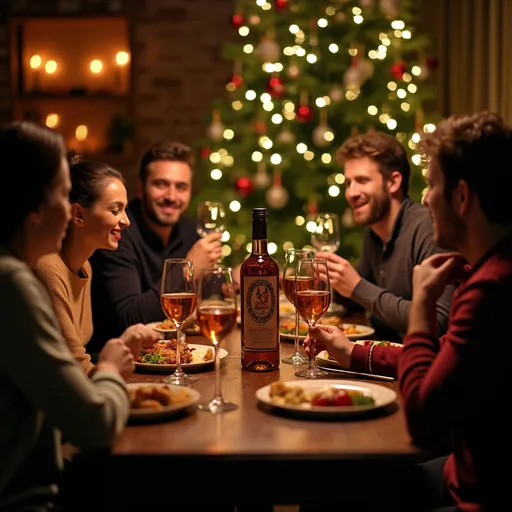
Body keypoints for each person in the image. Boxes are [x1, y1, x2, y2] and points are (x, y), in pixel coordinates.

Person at [0, 121, 135, 510]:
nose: (69, 207)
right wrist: (109, 367)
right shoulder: (13, 284)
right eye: (63, 195)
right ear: (36, 207)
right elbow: (94, 424)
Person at [397, 111, 512, 511]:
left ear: (462, 196)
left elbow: (423, 421)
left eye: (432, 185)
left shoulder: (491, 289)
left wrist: (421, 309)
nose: (425, 198)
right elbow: (448, 359)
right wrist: (356, 352)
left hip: (479, 495)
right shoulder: (489, 268)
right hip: (460, 472)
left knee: (345, 485)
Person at [316, 131, 455, 346]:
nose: (351, 193)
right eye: (348, 183)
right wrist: (328, 280)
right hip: (380, 352)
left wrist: (356, 286)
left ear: (393, 182)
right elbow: (356, 300)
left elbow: (437, 321)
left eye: (362, 180)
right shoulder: (374, 232)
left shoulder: (428, 227)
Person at [88, 140, 223, 354]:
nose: (171, 196)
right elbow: (127, 317)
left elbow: (204, 298)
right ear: (141, 188)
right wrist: (187, 270)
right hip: (120, 362)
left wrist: (229, 281)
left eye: (181, 187)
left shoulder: (187, 230)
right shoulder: (117, 232)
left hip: (173, 353)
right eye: (161, 184)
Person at [34, 153, 159, 375]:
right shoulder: (48, 268)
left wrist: (124, 346)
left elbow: (81, 359)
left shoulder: (85, 267)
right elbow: (74, 370)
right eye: (115, 210)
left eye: (125, 210)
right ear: (78, 214)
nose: (126, 220)